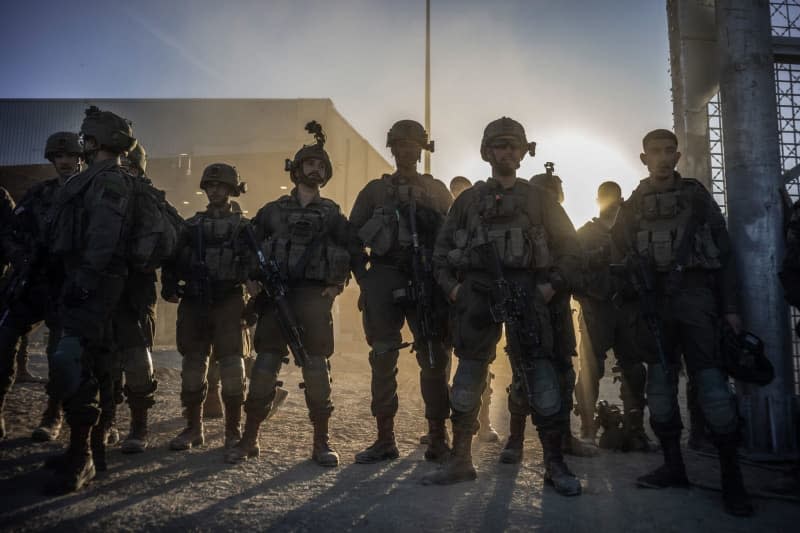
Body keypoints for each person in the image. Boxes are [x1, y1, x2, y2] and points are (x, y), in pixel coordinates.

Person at [424, 117, 583, 496]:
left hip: (528, 293)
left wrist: (549, 287)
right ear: (487, 152)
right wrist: (454, 291)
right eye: (500, 145)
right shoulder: (468, 201)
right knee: (467, 379)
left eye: (514, 145)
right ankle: (460, 460)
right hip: (477, 293)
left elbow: (572, 251)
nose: (508, 151)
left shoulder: (540, 199)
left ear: (524, 152)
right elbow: (441, 254)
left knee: (541, 377)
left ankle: (554, 463)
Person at [611, 128, 752, 516]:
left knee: (711, 387)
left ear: (677, 156)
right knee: (659, 385)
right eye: (653, 151)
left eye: (668, 151)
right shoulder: (635, 202)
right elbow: (618, 252)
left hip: (695, 299)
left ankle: (732, 479)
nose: (661, 157)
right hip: (654, 304)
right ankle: (674, 466)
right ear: (643, 158)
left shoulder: (696, 197)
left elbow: (723, 254)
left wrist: (730, 309)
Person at [226, 122, 358, 466]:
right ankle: (249, 437)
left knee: (316, 368)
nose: (315, 169)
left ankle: (321, 442)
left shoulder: (331, 213)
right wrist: (249, 279)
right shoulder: (273, 210)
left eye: (320, 166)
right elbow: (244, 244)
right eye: (309, 164)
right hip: (275, 296)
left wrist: (337, 284)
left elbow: (352, 249)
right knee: (265, 366)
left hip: (313, 298)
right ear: (297, 169)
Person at [349, 120, 453, 464]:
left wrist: (443, 278)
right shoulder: (375, 192)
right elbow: (351, 240)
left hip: (425, 277)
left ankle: (439, 437)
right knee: (382, 357)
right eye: (401, 145)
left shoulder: (437, 191)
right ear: (392, 149)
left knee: (434, 357)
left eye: (414, 146)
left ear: (422, 151)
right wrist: (366, 278)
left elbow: (453, 237)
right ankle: (385, 439)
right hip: (384, 274)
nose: (407, 151)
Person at [45, 108, 137, 493]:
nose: (81, 143)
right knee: (95, 362)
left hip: (96, 284)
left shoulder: (111, 181)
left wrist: (83, 281)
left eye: (87, 137)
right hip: (85, 280)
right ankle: (88, 450)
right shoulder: (91, 179)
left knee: (73, 358)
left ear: (97, 141)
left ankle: (82, 454)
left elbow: (103, 236)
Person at [0, 133, 82, 442]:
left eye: (70, 156)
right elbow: (11, 231)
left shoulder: (87, 195)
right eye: (58, 156)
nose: (63, 161)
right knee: (4, 339)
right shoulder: (39, 193)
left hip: (66, 286)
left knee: (58, 353)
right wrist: (22, 258)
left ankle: (53, 414)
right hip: (32, 283)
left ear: (80, 158)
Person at [162, 163, 249, 451]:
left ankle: (233, 431)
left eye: (220, 186)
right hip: (196, 301)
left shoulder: (243, 228)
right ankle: (193, 428)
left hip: (229, 300)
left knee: (233, 368)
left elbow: (256, 265)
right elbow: (173, 259)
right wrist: (170, 284)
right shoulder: (192, 226)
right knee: (192, 366)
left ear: (231, 189)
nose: (214, 191)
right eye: (210, 186)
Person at [573, 181, 651, 451]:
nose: (610, 203)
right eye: (606, 198)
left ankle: (635, 428)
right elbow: (572, 267)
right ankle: (587, 428)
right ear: (598, 201)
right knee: (590, 372)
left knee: (634, 369)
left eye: (614, 198)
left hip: (628, 308)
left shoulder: (631, 232)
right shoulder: (586, 233)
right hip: (597, 308)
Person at [106, 143, 161, 454]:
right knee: (103, 360)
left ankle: (138, 426)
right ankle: (108, 421)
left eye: (132, 168)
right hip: (101, 290)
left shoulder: (149, 198)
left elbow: (168, 239)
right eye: (121, 167)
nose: (126, 172)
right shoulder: (97, 195)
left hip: (135, 292)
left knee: (138, 362)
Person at [448, 176, 498, 444]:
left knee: (479, 365)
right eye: (455, 191)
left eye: (463, 191)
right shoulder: (449, 221)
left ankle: (484, 421)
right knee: (444, 367)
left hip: (476, 301)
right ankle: (443, 428)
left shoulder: (480, 222)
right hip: (450, 300)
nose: (459, 195)